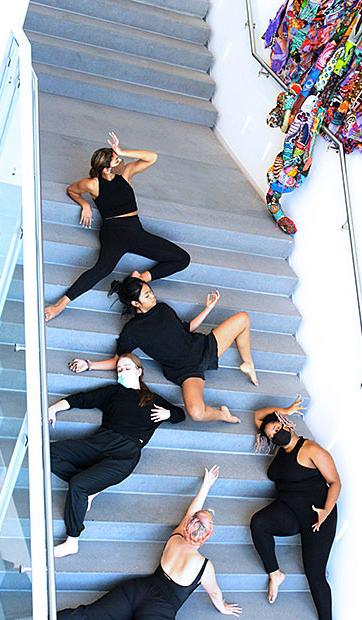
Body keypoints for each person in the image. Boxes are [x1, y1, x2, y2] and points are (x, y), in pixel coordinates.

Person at [0, 466, 242, 620]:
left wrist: (206, 486)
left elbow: (193, 511)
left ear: (189, 524)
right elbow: (215, 592)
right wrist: (221, 606)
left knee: (83, 615)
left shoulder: (176, 537)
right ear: (207, 537)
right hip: (160, 610)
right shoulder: (203, 566)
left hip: (138, 590)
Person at [67, 274, 259, 423]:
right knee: (197, 413)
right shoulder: (132, 331)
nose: (153, 297)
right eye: (147, 296)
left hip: (203, 348)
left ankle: (247, 362)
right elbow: (119, 360)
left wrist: (207, 309)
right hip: (186, 371)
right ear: (135, 303)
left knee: (243, 318)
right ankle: (223, 416)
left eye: (151, 292)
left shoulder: (163, 309)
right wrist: (89, 364)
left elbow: (186, 329)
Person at [49, 353, 185, 558]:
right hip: (101, 441)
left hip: (126, 452)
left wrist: (168, 414)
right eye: (119, 369)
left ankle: (72, 541)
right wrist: (54, 408)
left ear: (139, 371)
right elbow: (82, 399)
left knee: (78, 485)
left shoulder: (153, 400)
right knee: (50, 454)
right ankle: (90, 487)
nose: (122, 372)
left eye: (127, 368)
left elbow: (180, 414)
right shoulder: (114, 392)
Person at [45, 132, 190, 321]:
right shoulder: (92, 184)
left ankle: (142, 277)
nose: (120, 160)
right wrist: (85, 204)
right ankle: (60, 305)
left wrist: (122, 150)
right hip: (114, 232)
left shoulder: (126, 174)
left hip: (135, 230)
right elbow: (71, 189)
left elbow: (152, 157)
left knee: (182, 258)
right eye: (115, 159)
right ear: (105, 169)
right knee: (102, 269)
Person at [250, 396, 340, 620]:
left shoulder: (311, 450)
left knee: (314, 573)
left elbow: (335, 482)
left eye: (277, 429)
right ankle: (275, 573)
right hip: (288, 510)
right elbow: (258, 417)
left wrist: (326, 511)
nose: (275, 435)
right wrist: (284, 409)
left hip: (317, 516)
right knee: (259, 523)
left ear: (286, 425)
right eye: (270, 434)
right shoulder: (280, 451)